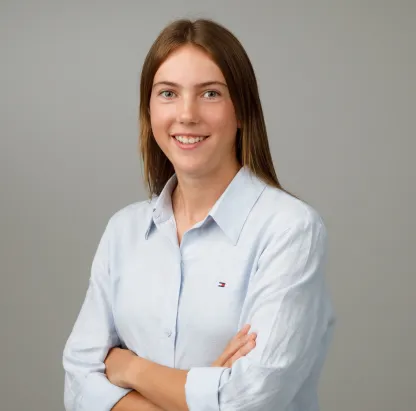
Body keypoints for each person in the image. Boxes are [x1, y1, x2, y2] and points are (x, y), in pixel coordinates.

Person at [63, 18, 335, 411]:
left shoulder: (290, 230)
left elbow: (249, 399)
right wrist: (203, 391)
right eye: (168, 93)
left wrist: (130, 368)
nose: (187, 114)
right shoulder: (123, 231)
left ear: (242, 111)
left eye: (210, 93)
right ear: (148, 110)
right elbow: (78, 385)